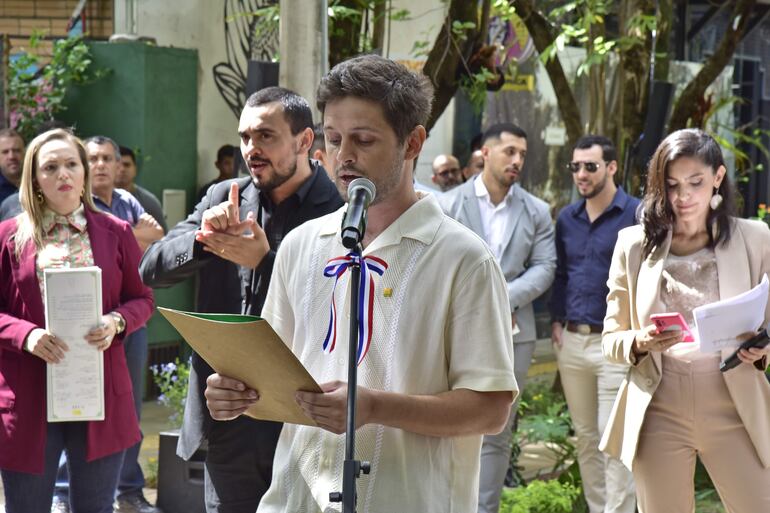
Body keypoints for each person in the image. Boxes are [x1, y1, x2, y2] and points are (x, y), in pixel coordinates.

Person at [204, 54, 518, 513]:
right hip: (298, 496)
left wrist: (374, 407)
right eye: (332, 140)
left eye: (364, 140)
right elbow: (272, 378)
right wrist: (236, 395)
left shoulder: (463, 259)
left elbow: (489, 409)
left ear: (413, 143)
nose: (344, 156)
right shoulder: (300, 244)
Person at [139, 86, 343, 513]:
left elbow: (341, 304)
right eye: (245, 137)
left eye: (266, 136)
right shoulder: (223, 198)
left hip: (305, 420)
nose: (251, 149)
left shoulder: (339, 209)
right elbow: (150, 270)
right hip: (228, 412)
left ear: (305, 140)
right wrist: (203, 240)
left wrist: (266, 262)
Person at [600, 128, 770, 513]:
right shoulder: (633, 244)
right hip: (660, 402)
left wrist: (763, 346)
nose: (683, 196)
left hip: (734, 398)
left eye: (695, 182)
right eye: (672, 184)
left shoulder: (755, 238)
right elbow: (610, 337)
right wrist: (640, 340)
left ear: (718, 178)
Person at [0, 128, 154, 513]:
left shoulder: (117, 232)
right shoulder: (8, 236)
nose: (63, 174)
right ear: (35, 179)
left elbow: (143, 299)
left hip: (98, 392)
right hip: (29, 395)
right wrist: (25, 334)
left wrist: (117, 321)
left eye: (71, 164)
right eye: (50, 167)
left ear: (85, 172)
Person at [440, 122, 556, 513]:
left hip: (513, 331)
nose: (518, 160)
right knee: (443, 420)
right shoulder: (445, 205)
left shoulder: (536, 210)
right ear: (484, 154)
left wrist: (498, 298)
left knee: (497, 429)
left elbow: (544, 266)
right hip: (452, 329)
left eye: (522, 154)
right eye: (510, 151)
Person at [549, 135, 638, 513]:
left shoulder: (636, 214)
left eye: (590, 166)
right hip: (572, 341)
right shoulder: (567, 219)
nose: (581, 175)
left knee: (612, 437)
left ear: (612, 167)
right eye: (575, 167)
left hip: (615, 343)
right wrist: (555, 320)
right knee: (586, 438)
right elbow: (561, 275)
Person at [73, 136, 161, 513]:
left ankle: (128, 489)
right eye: (93, 159)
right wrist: (131, 234)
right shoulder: (72, 204)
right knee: (79, 406)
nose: (104, 165)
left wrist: (127, 235)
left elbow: (156, 237)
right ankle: (66, 492)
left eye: (109, 158)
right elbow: (135, 237)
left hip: (129, 318)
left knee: (129, 410)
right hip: (83, 325)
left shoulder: (128, 201)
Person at [116, 146, 168, 232]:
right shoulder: (96, 201)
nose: (122, 169)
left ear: (135, 169)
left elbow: (163, 238)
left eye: (127, 165)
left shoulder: (149, 202)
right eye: (118, 165)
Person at [0, 128, 25, 203]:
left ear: (25, 153)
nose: (11, 157)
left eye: (17, 150)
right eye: (5, 152)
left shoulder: (39, 181)